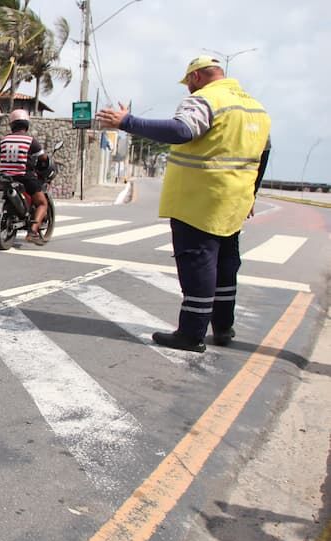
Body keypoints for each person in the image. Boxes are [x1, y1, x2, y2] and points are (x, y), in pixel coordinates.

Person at [96, 55, 271, 353]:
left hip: (198, 199)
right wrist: (251, 193)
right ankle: (223, 327)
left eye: (188, 83)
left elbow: (182, 131)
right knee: (226, 265)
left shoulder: (205, 99)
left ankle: (191, 334)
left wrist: (128, 122)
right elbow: (264, 153)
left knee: (198, 263)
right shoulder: (255, 108)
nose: (188, 89)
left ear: (196, 77)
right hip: (234, 199)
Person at [0, 109, 48, 244]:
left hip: (4, 177)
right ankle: (32, 232)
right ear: (26, 125)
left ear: (11, 125)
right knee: (42, 203)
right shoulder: (31, 141)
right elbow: (43, 158)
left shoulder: (3, 140)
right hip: (24, 177)